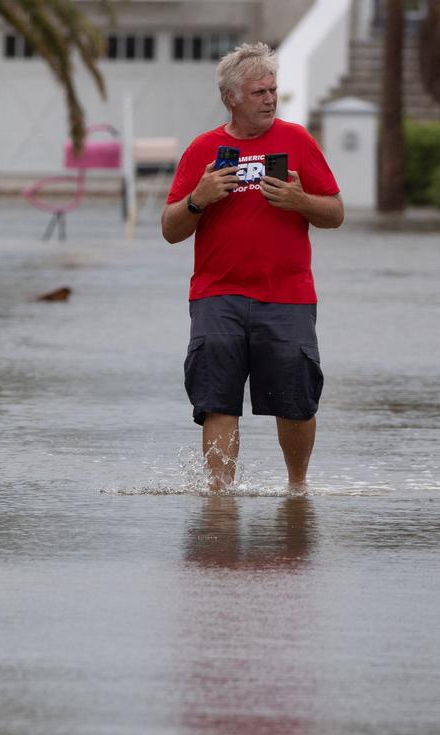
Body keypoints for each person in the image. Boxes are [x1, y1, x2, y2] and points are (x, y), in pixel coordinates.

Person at [162, 42, 343, 492]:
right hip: (216, 295)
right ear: (232, 98)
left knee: (296, 400)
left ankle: (297, 490)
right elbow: (170, 228)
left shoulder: (297, 140)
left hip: (287, 295)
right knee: (217, 401)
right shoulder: (204, 149)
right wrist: (198, 199)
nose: (269, 99)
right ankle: (220, 498)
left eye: (273, 90)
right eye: (259, 92)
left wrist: (299, 201)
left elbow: (336, 213)